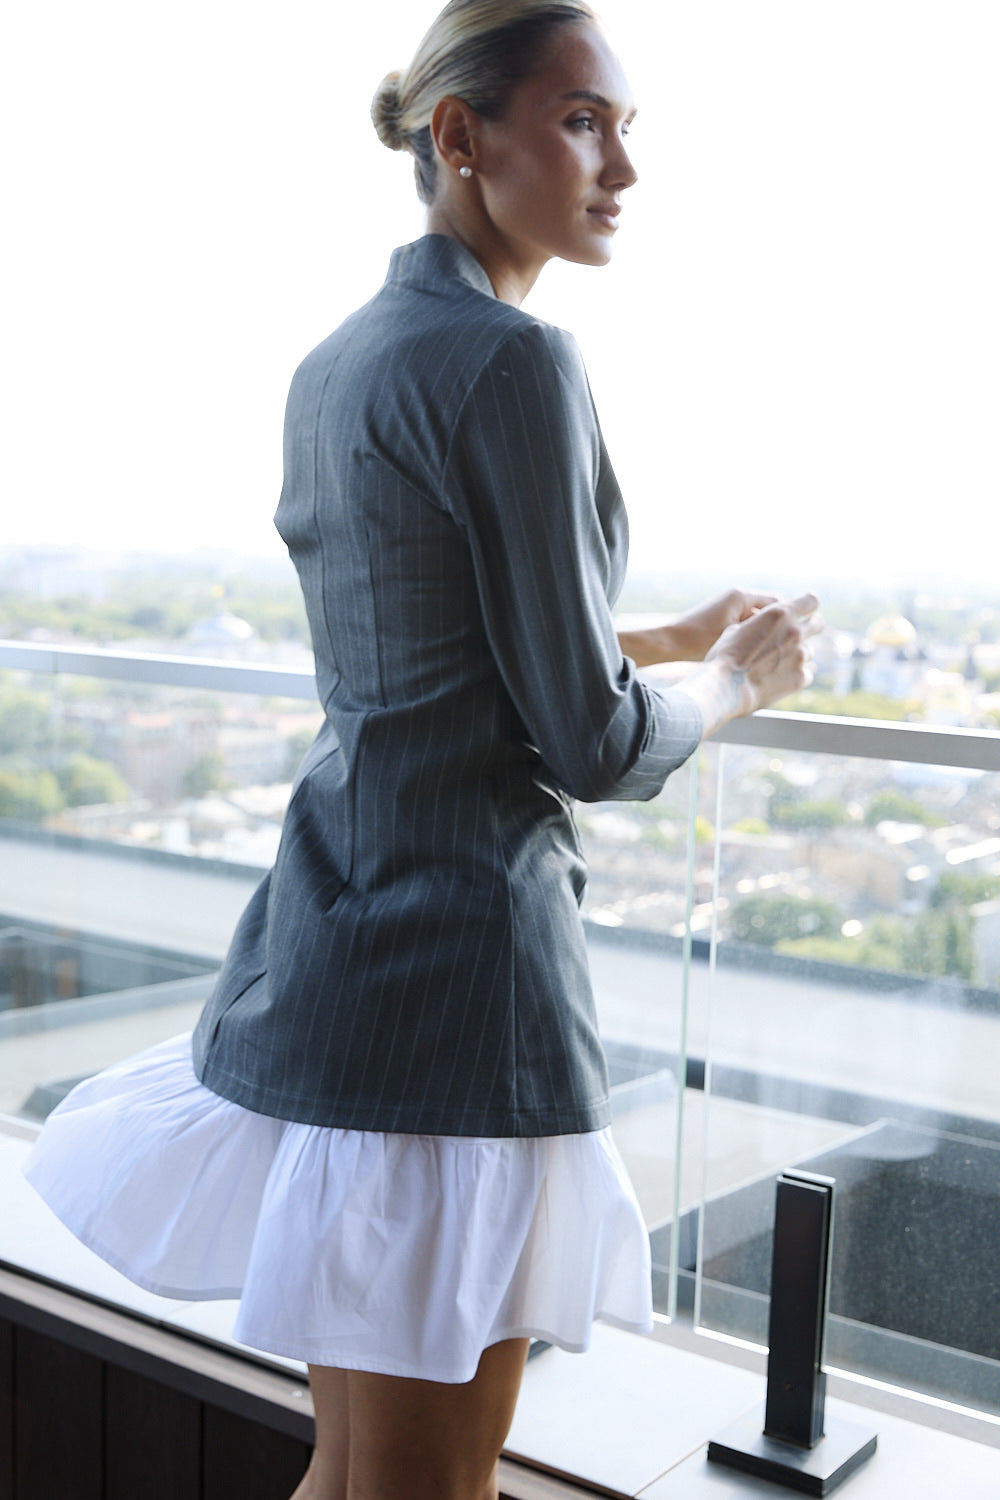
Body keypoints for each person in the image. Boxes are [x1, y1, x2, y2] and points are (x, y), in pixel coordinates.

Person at [23, 3, 822, 1496]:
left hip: (330, 957)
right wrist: (732, 684)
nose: (623, 170)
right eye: (585, 120)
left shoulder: (339, 362)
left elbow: (431, 642)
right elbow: (582, 744)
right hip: (459, 1003)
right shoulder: (519, 361)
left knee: (355, 1474)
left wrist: (642, 633)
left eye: (628, 128)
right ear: (462, 136)